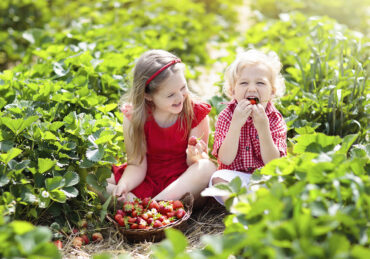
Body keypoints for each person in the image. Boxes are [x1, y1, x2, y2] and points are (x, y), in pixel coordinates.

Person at [106, 49, 217, 203]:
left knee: (207, 168)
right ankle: (157, 207)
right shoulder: (135, 117)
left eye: (183, 88)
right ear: (148, 95)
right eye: (170, 95)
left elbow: (196, 164)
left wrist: (194, 156)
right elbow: (137, 165)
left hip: (181, 182)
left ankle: (147, 207)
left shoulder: (195, 112)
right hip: (147, 177)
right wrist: (124, 184)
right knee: (97, 181)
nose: (180, 97)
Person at [204, 49, 287, 205]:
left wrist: (263, 128)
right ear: (232, 91)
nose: (252, 88)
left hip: (265, 178)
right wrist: (236, 125)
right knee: (218, 178)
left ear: (272, 92)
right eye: (244, 83)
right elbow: (226, 160)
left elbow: (273, 163)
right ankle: (241, 209)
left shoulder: (274, 119)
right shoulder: (226, 116)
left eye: (260, 83)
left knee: (283, 182)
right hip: (236, 179)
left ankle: (261, 206)